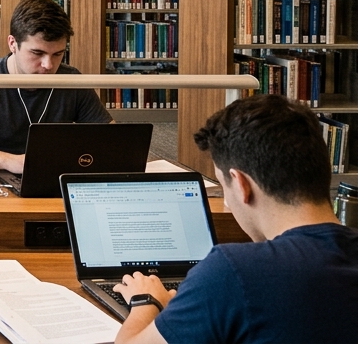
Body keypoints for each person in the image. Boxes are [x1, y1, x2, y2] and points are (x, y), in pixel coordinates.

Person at [113, 94, 358, 344]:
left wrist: (145, 300)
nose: (228, 203)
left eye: (223, 185)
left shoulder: (233, 272)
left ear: (241, 185)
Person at [0, 0, 111, 173]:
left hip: (47, 181)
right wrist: (10, 161)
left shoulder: (71, 81)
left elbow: (115, 141)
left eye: (57, 54)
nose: (48, 65)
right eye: (37, 53)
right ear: (12, 44)